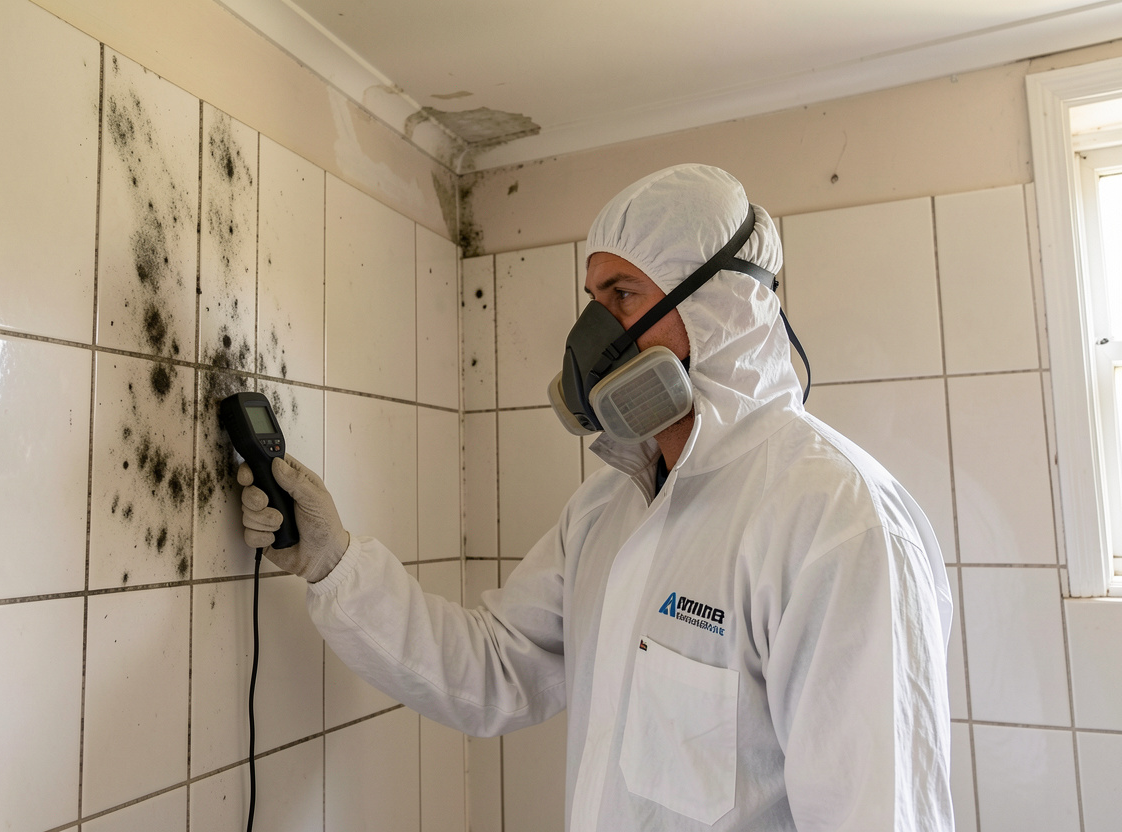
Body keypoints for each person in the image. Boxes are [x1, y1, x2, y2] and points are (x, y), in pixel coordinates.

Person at [238, 164, 955, 831]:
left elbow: (878, 811)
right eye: (594, 300)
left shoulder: (835, 521)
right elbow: (493, 667)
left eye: (623, 296)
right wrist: (335, 566)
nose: (591, 339)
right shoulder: (608, 511)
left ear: (717, 309)